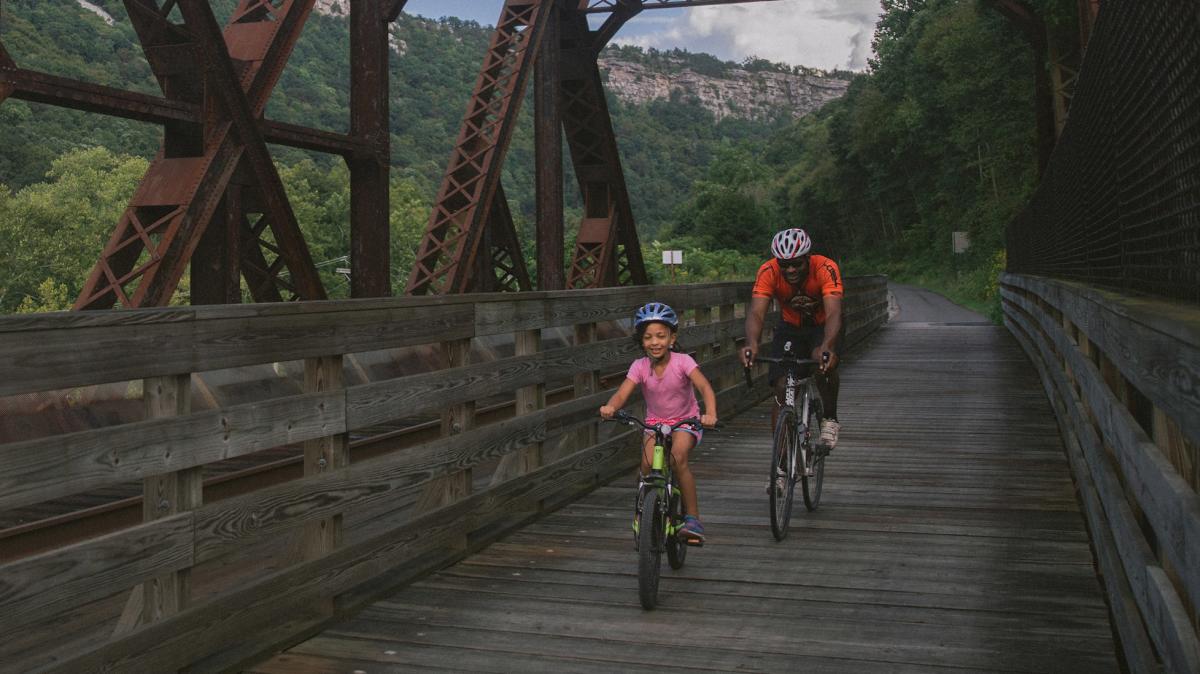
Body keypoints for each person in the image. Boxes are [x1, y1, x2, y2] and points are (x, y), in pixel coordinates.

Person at [600, 302, 718, 541]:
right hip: (655, 422)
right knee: (645, 465)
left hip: (685, 421)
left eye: (661, 336)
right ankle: (642, 510)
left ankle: (693, 518)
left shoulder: (683, 362)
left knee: (677, 458)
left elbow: (704, 387)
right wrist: (612, 406)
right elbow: (623, 393)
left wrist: (711, 413)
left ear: (672, 338)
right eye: (648, 337)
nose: (655, 342)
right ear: (641, 341)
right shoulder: (639, 366)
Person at [741, 227, 844, 450]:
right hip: (791, 327)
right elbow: (757, 312)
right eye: (784, 264)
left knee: (821, 360)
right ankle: (780, 466)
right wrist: (752, 343)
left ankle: (830, 418)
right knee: (781, 387)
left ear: (808, 257)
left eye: (797, 263)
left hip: (822, 325)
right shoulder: (768, 271)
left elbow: (834, 312)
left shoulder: (825, 267)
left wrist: (827, 346)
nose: (790, 269)